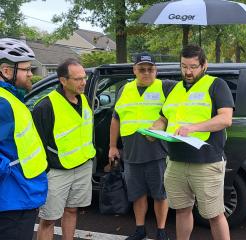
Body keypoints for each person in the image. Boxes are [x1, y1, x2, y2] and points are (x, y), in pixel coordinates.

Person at [151, 45, 233, 240]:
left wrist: (193, 127)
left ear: (204, 65)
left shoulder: (217, 84)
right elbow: (164, 118)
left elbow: (225, 119)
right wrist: (155, 128)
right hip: (176, 161)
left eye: (193, 67)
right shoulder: (175, 89)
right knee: (181, 211)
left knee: (214, 214)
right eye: (184, 66)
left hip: (206, 162)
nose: (188, 71)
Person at [108, 52, 175, 240]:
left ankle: (161, 231)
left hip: (157, 153)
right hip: (131, 154)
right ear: (134, 70)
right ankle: (140, 229)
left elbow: (180, 107)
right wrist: (113, 147)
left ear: (156, 70)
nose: (146, 73)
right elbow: (115, 119)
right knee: (137, 194)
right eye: (142, 69)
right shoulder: (124, 89)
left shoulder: (166, 87)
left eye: (150, 69)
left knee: (160, 194)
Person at [33, 58, 96, 240]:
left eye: (84, 78)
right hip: (57, 172)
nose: (83, 82)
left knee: (71, 210)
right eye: (77, 79)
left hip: (82, 166)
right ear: (63, 80)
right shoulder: (45, 106)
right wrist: (45, 172)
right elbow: (37, 145)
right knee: (48, 219)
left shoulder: (83, 100)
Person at [0, 38, 48, 240]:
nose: (30, 74)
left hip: (20, 196)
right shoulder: (3, 103)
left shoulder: (10, 98)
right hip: (12, 200)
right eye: (26, 69)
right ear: (6, 70)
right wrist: (8, 170)